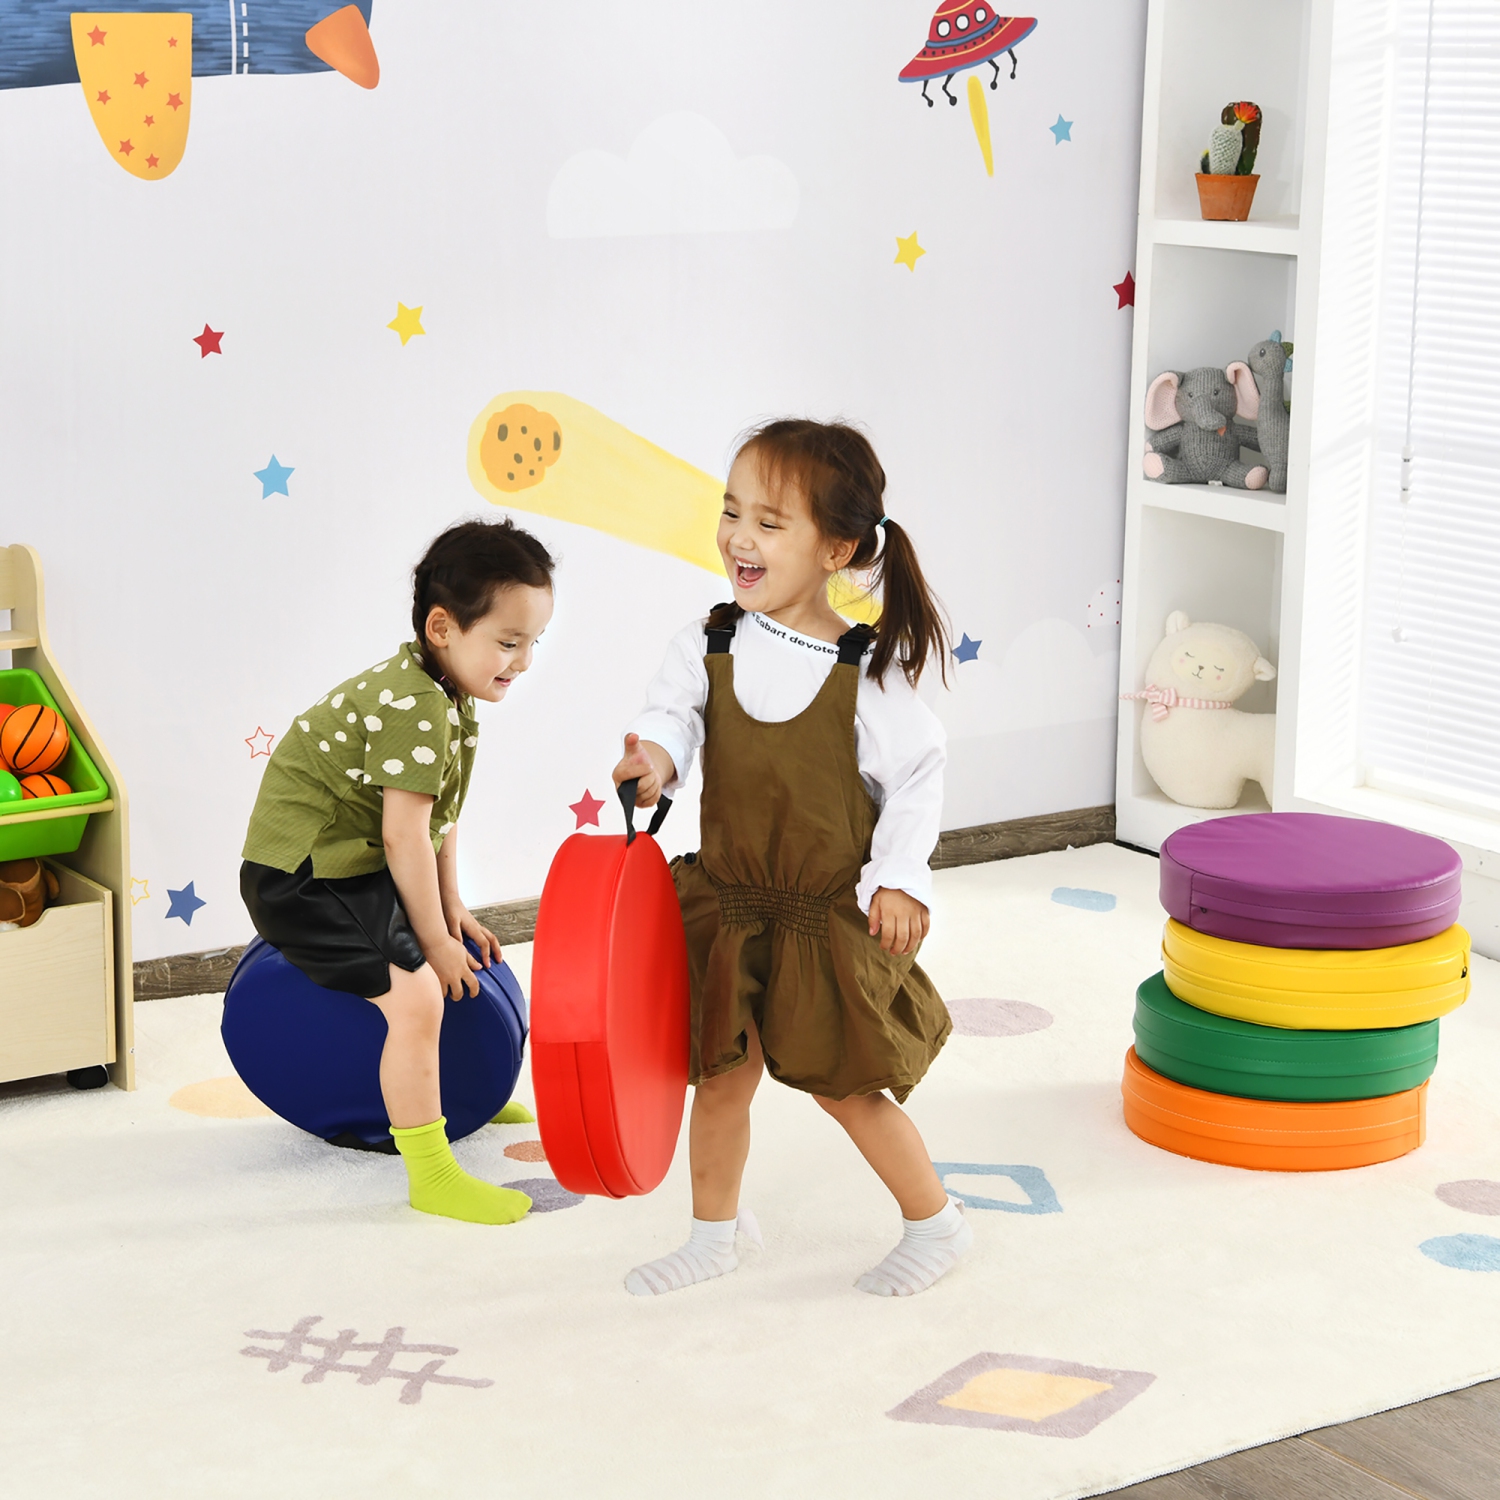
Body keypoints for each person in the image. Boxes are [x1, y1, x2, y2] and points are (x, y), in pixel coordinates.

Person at [613, 418, 967, 1297]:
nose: (739, 536)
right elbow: (673, 717)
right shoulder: (713, 637)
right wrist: (652, 761)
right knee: (720, 1080)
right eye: (733, 511)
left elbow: (920, 776)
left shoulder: (867, 671)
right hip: (730, 905)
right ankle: (714, 1235)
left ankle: (938, 1224)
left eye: (770, 522)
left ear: (837, 548)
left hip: (819, 919)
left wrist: (900, 880)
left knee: (844, 1090)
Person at [240, 517, 554, 1225]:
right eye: (509, 642)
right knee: (416, 998)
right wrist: (435, 941)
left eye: (534, 641)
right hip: (301, 877)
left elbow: (436, 822)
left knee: (447, 951)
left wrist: (454, 910)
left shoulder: (446, 692)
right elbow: (403, 834)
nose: (525, 660)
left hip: (352, 862)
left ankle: (456, 1086)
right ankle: (431, 1173)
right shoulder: (417, 706)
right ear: (443, 627)